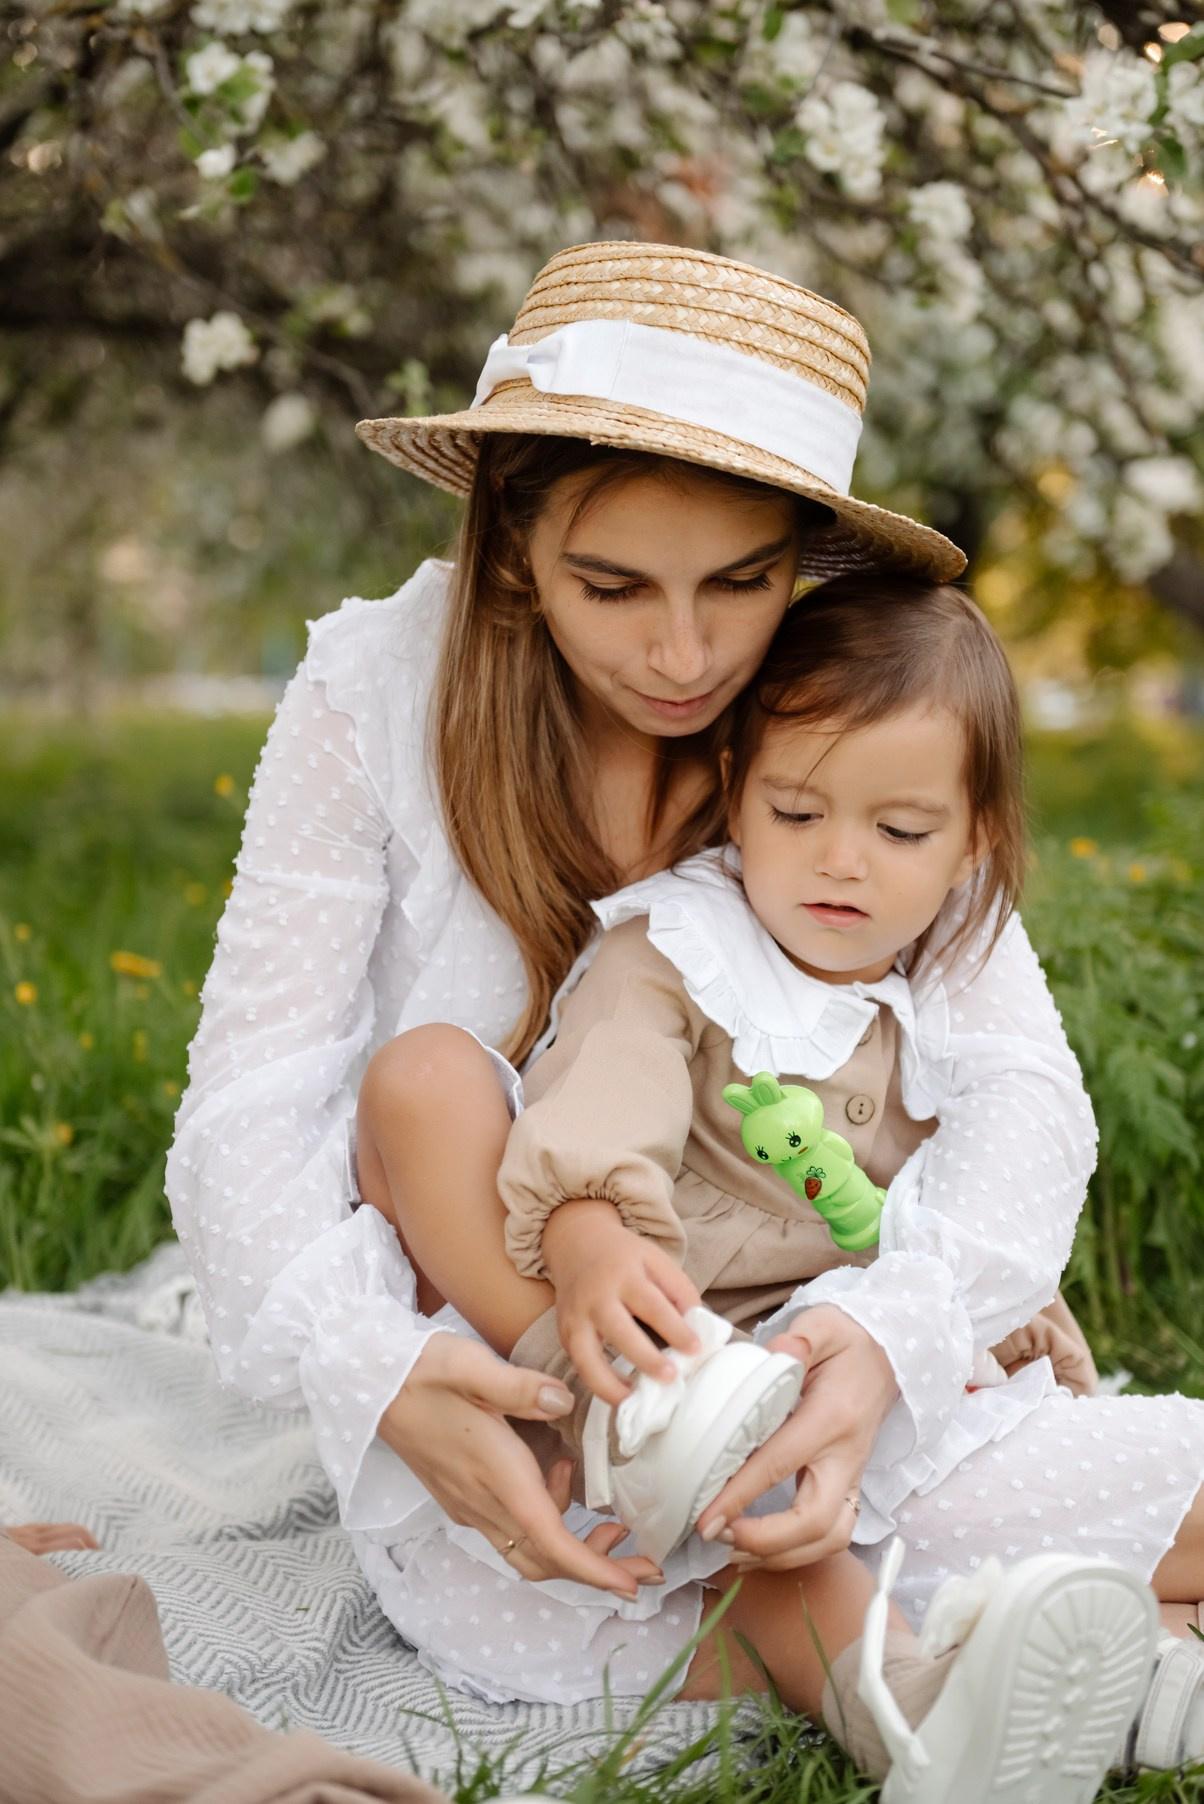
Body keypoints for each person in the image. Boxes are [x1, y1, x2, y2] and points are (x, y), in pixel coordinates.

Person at [166, 243, 1204, 1777]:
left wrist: (898, 1327)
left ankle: (1055, 1672)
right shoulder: (373, 695)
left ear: (801, 556)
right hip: (525, 1414)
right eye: (613, 587)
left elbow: (1022, 1095)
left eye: (741, 583)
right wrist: (375, 1373)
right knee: (436, 1087)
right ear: (514, 542)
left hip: (821, 1359)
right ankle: (934, 1662)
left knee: (1126, 1488)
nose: (684, 653)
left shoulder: (840, 709)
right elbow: (246, 1119)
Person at [348, 575, 1192, 1793]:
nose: (840, 861)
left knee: (1152, 1475)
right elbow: (606, 1091)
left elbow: (977, 1178)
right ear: (735, 791)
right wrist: (590, 1233)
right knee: (782, 1566)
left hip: (866, 1418)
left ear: (973, 843)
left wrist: (984, 1303)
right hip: (661, 1424)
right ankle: (918, 1722)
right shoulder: (681, 949)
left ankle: (1137, 1674)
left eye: (900, 833)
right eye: (796, 811)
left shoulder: (939, 986)